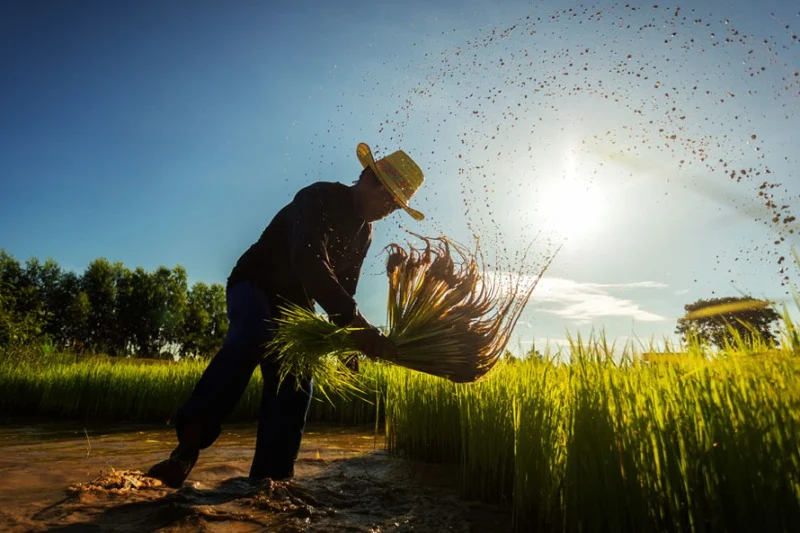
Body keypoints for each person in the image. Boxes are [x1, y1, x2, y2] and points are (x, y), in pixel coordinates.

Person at [146, 142, 425, 488]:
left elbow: (344, 288)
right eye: (389, 200)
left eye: (397, 207)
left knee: (297, 384)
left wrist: (346, 342)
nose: (390, 211)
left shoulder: (364, 234)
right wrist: (357, 326)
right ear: (369, 179)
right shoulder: (318, 197)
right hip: (255, 284)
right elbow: (309, 263)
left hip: (296, 307)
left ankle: (269, 483)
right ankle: (185, 451)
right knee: (251, 337)